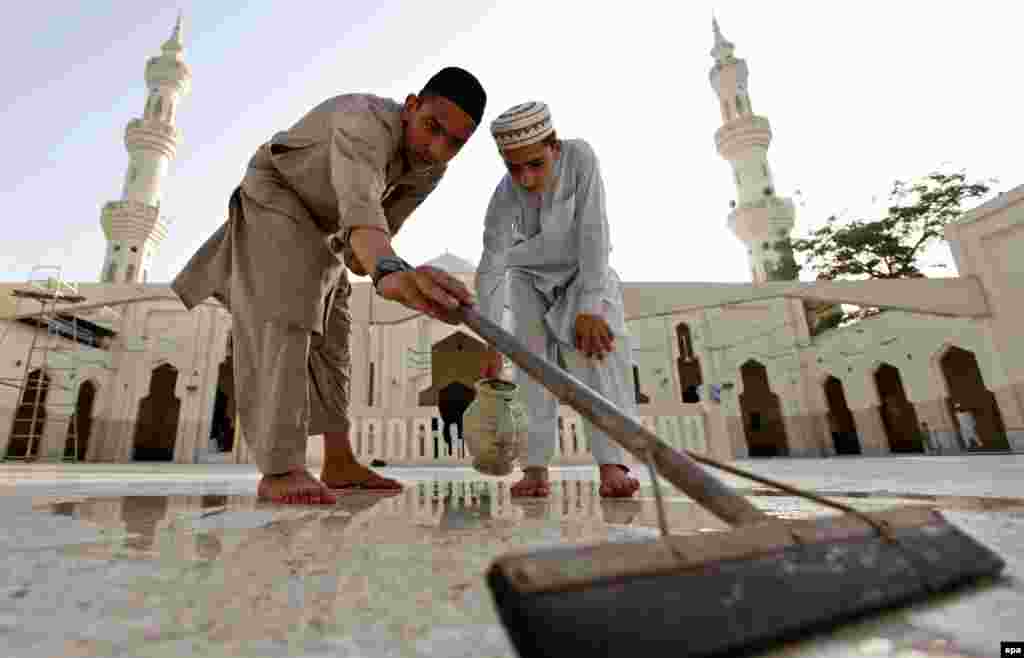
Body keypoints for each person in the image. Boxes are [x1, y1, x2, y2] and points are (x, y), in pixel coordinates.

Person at [172, 67, 487, 504]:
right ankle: (281, 468)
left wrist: (405, 278)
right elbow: (361, 209)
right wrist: (391, 271)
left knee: (335, 334)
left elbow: (367, 254)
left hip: (331, 228)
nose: (437, 147)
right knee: (286, 317)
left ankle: (339, 461)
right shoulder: (364, 122)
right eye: (432, 127)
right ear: (411, 106)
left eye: (454, 142)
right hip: (279, 194)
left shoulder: (430, 170)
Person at [475, 101, 640, 498]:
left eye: (534, 164)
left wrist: (589, 308)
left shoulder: (580, 158)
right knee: (532, 369)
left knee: (596, 359)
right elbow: (492, 267)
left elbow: (594, 230)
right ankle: (535, 469)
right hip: (529, 280)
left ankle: (612, 466)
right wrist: (492, 339)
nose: (525, 178)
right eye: (514, 168)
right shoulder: (504, 196)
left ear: (554, 145)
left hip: (584, 275)